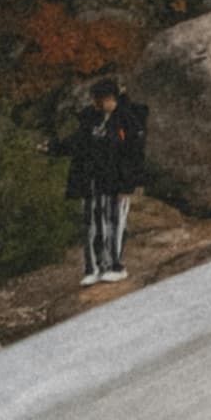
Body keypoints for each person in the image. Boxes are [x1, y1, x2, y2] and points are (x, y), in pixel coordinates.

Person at [52, 76, 147, 286]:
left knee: (114, 223)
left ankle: (115, 265)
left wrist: (128, 184)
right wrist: (53, 148)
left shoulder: (126, 120)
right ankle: (93, 268)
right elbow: (77, 143)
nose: (97, 104)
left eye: (102, 99)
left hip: (117, 181)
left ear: (113, 99)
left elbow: (134, 154)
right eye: (96, 99)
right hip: (93, 181)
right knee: (92, 225)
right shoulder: (90, 120)